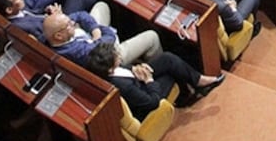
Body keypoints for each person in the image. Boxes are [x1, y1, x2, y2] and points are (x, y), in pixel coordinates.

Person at [87, 42, 224, 121]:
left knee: (167, 59)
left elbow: (123, 68)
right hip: (146, 97)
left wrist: (136, 68)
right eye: (116, 56)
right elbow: (151, 102)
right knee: (171, 74)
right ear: (110, 68)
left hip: (139, 81)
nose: (118, 55)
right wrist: (149, 80)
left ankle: (197, 81)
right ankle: (189, 91)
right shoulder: (123, 86)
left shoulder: (108, 69)